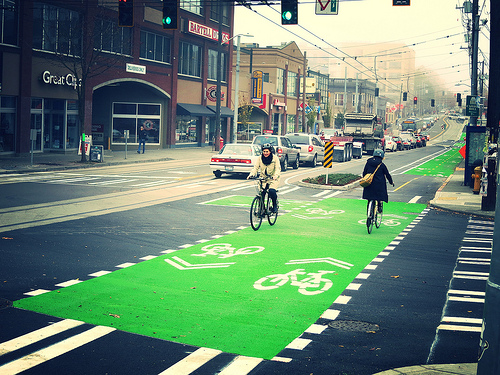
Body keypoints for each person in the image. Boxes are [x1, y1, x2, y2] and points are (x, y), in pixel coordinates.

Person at [247, 143, 281, 213]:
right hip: (263, 178)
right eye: (264, 151)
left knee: (272, 191)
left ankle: (274, 205)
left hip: (273, 178)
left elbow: (278, 168)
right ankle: (262, 209)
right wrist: (251, 174)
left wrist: (275, 176)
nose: (265, 153)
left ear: (270, 151)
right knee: (261, 193)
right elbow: (255, 168)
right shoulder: (260, 158)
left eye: (267, 152)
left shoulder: (275, 158)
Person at [362, 149, 394, 213]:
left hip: (369, 184)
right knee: (379, 197)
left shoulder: (368, 163)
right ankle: (379, 206)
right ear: (382, 157)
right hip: (379, 185)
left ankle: (369, 215)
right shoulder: (382, 165)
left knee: (369, 199)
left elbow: (364, 173)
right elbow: (387, 175)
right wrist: (391, 182)